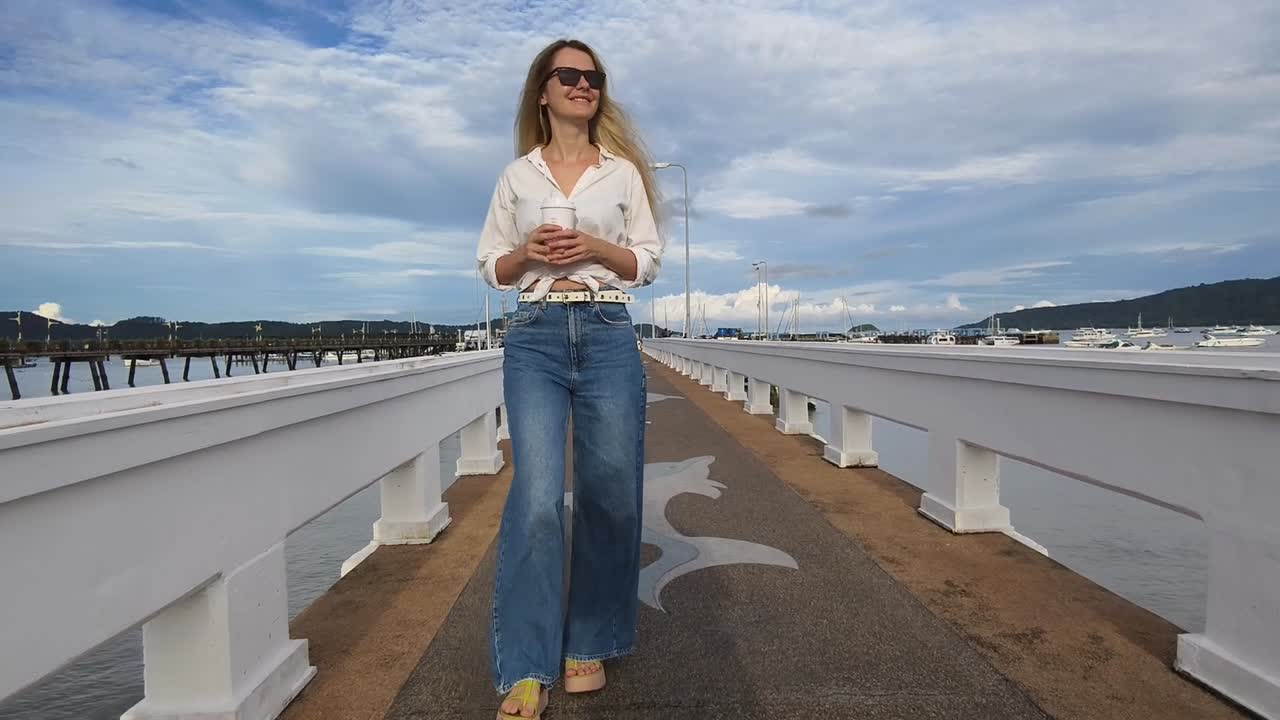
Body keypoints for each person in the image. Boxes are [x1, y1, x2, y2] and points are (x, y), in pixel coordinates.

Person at [476, 38, 664, 720]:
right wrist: (527, 252)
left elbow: (646, 261)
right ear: (543, 91)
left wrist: (595, 248)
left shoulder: (621, 175)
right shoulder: (516, 177)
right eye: (569, 75)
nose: (584, 84)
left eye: (593, 77)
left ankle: (588, 639)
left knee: (610, 495)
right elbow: (490, 267)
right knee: (534, 497)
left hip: (610, 331)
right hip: (535, 335)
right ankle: (526, 664)